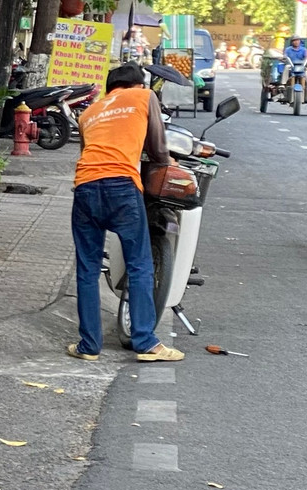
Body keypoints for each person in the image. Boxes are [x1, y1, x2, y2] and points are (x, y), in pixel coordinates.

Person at [67, 63, 182, 363]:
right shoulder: (144, 97)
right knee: (140, 264)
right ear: (136, 84)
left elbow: (90, 151)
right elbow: (157, 149)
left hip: (86, 188)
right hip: (122, 187)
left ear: (110, 88)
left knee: (87, 269)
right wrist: (169, 164)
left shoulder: (89, 113)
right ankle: (146, 343)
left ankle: (89, 346)